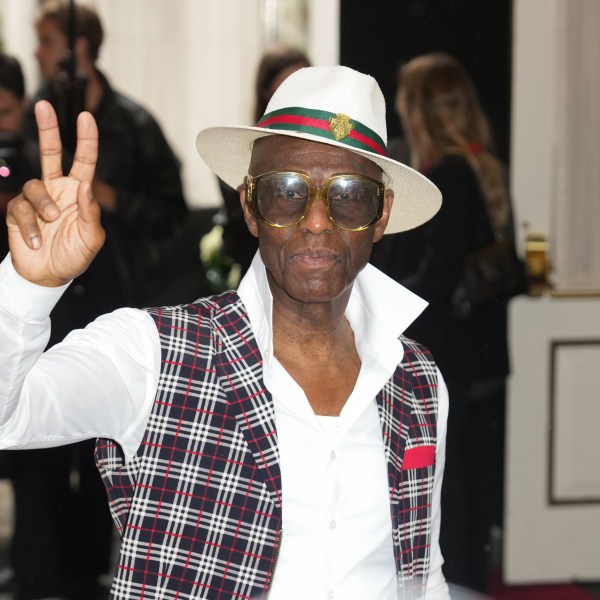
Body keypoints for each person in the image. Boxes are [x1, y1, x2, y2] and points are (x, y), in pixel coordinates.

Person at [1, 65, 450, 599]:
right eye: (286, 191)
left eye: (349, 194)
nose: (316, 221)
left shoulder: (419, 381)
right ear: (250, 207)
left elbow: (421, 573)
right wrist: (28, 287)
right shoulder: (154, 353)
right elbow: (10, 418)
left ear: (381, 214)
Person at [22, 1, 188, 595]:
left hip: (113, 301)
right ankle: (38, 580)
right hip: (45, 305)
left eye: (47, 40)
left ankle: (92, 575)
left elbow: (172, 213)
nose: (38, 51)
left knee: (103, 447)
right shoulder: (35, 120)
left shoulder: (135, 124)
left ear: (79, 47)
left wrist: (112, 199)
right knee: (36, 442)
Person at [372, 52, 517, 593]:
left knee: (450, 492)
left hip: (452, 355)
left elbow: (437, 274)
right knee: (470, 487)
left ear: (418, 109)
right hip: (480, 353)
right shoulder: (481, 163)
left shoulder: (449, 173)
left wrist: (373, 308)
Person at [0, 52, 74, 600]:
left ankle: (38, 578)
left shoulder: (41, 173)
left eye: (3, 112)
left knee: (34, 467)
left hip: (30, 323)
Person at [210, 44, 311, 288]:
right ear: (267, 92)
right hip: (259, 278)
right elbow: (240, 239)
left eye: (307, 83)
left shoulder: (331, 151)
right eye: (290, 85)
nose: (300, 94)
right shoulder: (243, 154)